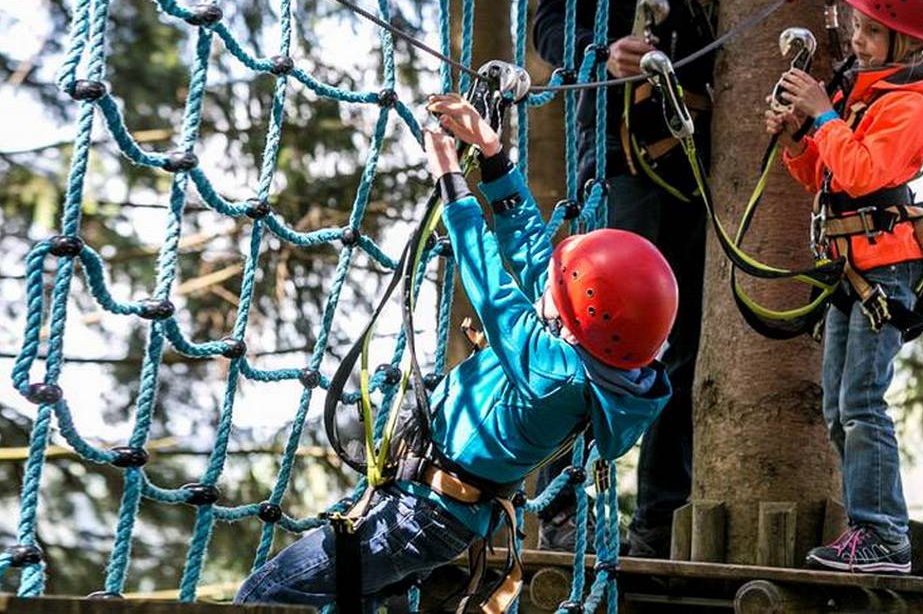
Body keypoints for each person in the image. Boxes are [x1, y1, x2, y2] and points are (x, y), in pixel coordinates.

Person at [234, 94, 677, 609]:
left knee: (264, 596)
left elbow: (491, 286)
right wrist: (492, 154)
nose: (549, 286)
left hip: (419, 515)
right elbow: (535, 253)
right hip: (423, 506)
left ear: (583, 318)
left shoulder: (553, 373)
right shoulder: (596, 358)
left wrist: (453, 185)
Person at [765, 0, 923, 574]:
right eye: (858, 24)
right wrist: (800, 135)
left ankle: (884, 535)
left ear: (907, 41)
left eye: (873, 30)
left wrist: (823, 114)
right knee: (838, 405)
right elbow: (825, 176)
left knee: (862, 402)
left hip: (887, 270)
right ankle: (867, 532)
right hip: (853, 267)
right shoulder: (867, 91)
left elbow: (864, 170)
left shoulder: (912, 106)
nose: (857, 37)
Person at [531, 0, 720, 559]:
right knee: (596, 318)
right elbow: (548, 23)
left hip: (702, 156)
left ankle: (660, 521)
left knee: (685, 339)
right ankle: (561, 502)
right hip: (619, 149)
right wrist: (601, 53)